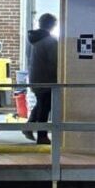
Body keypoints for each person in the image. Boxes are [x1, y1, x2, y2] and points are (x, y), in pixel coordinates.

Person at [25, 11, 58, 143]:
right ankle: (42, 136)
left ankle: (28, 127)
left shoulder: (30, 40)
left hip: (34, 76)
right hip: (47, 78)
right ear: (52, 25)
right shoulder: (51, 41)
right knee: (45, 107)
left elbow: (28, 57)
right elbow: (55, 62)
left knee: (41, 104)